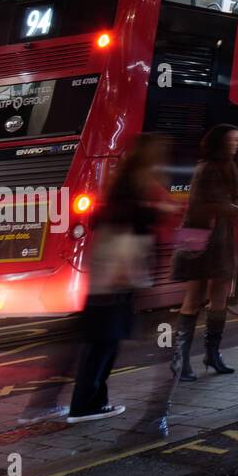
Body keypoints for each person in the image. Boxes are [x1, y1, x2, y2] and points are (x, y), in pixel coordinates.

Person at [67, 136, 168, 423]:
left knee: (103, 342)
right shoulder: (132, 188)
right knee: (104, 342)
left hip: (108, 278)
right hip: (115, 279)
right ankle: (86, 405)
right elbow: (129, 226)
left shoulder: (121, 185)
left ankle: (93, 401)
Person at [171, 123, 238, 381]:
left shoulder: (228, 168)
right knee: (193, 297)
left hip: (220, 238)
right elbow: (200, 206)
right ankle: (180, 361)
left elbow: (237, 196)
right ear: (220, 143)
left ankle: (212, 354)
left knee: (220, 296)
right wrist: (231, 207)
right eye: (233, 140)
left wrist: (236, 204)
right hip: (202, 238)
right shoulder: (207, 169)